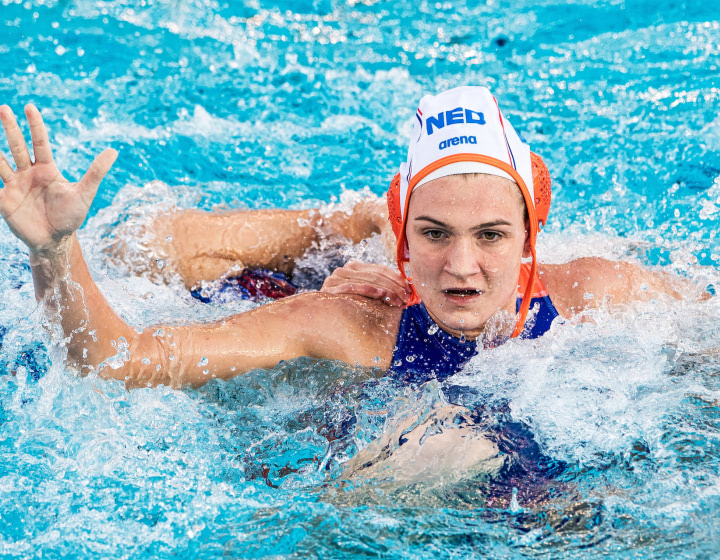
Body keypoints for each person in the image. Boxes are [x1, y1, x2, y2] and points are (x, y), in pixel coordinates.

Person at [0, 86, 687, 391]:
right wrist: (54, 252)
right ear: (404, 239)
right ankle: (350, 221)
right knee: (160, 244)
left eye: (492, 236)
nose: (462, 265)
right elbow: (118, 362)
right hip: (308, 275)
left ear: (531, 235)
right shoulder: (347, 325)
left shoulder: (599, 293)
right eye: (434, 233)